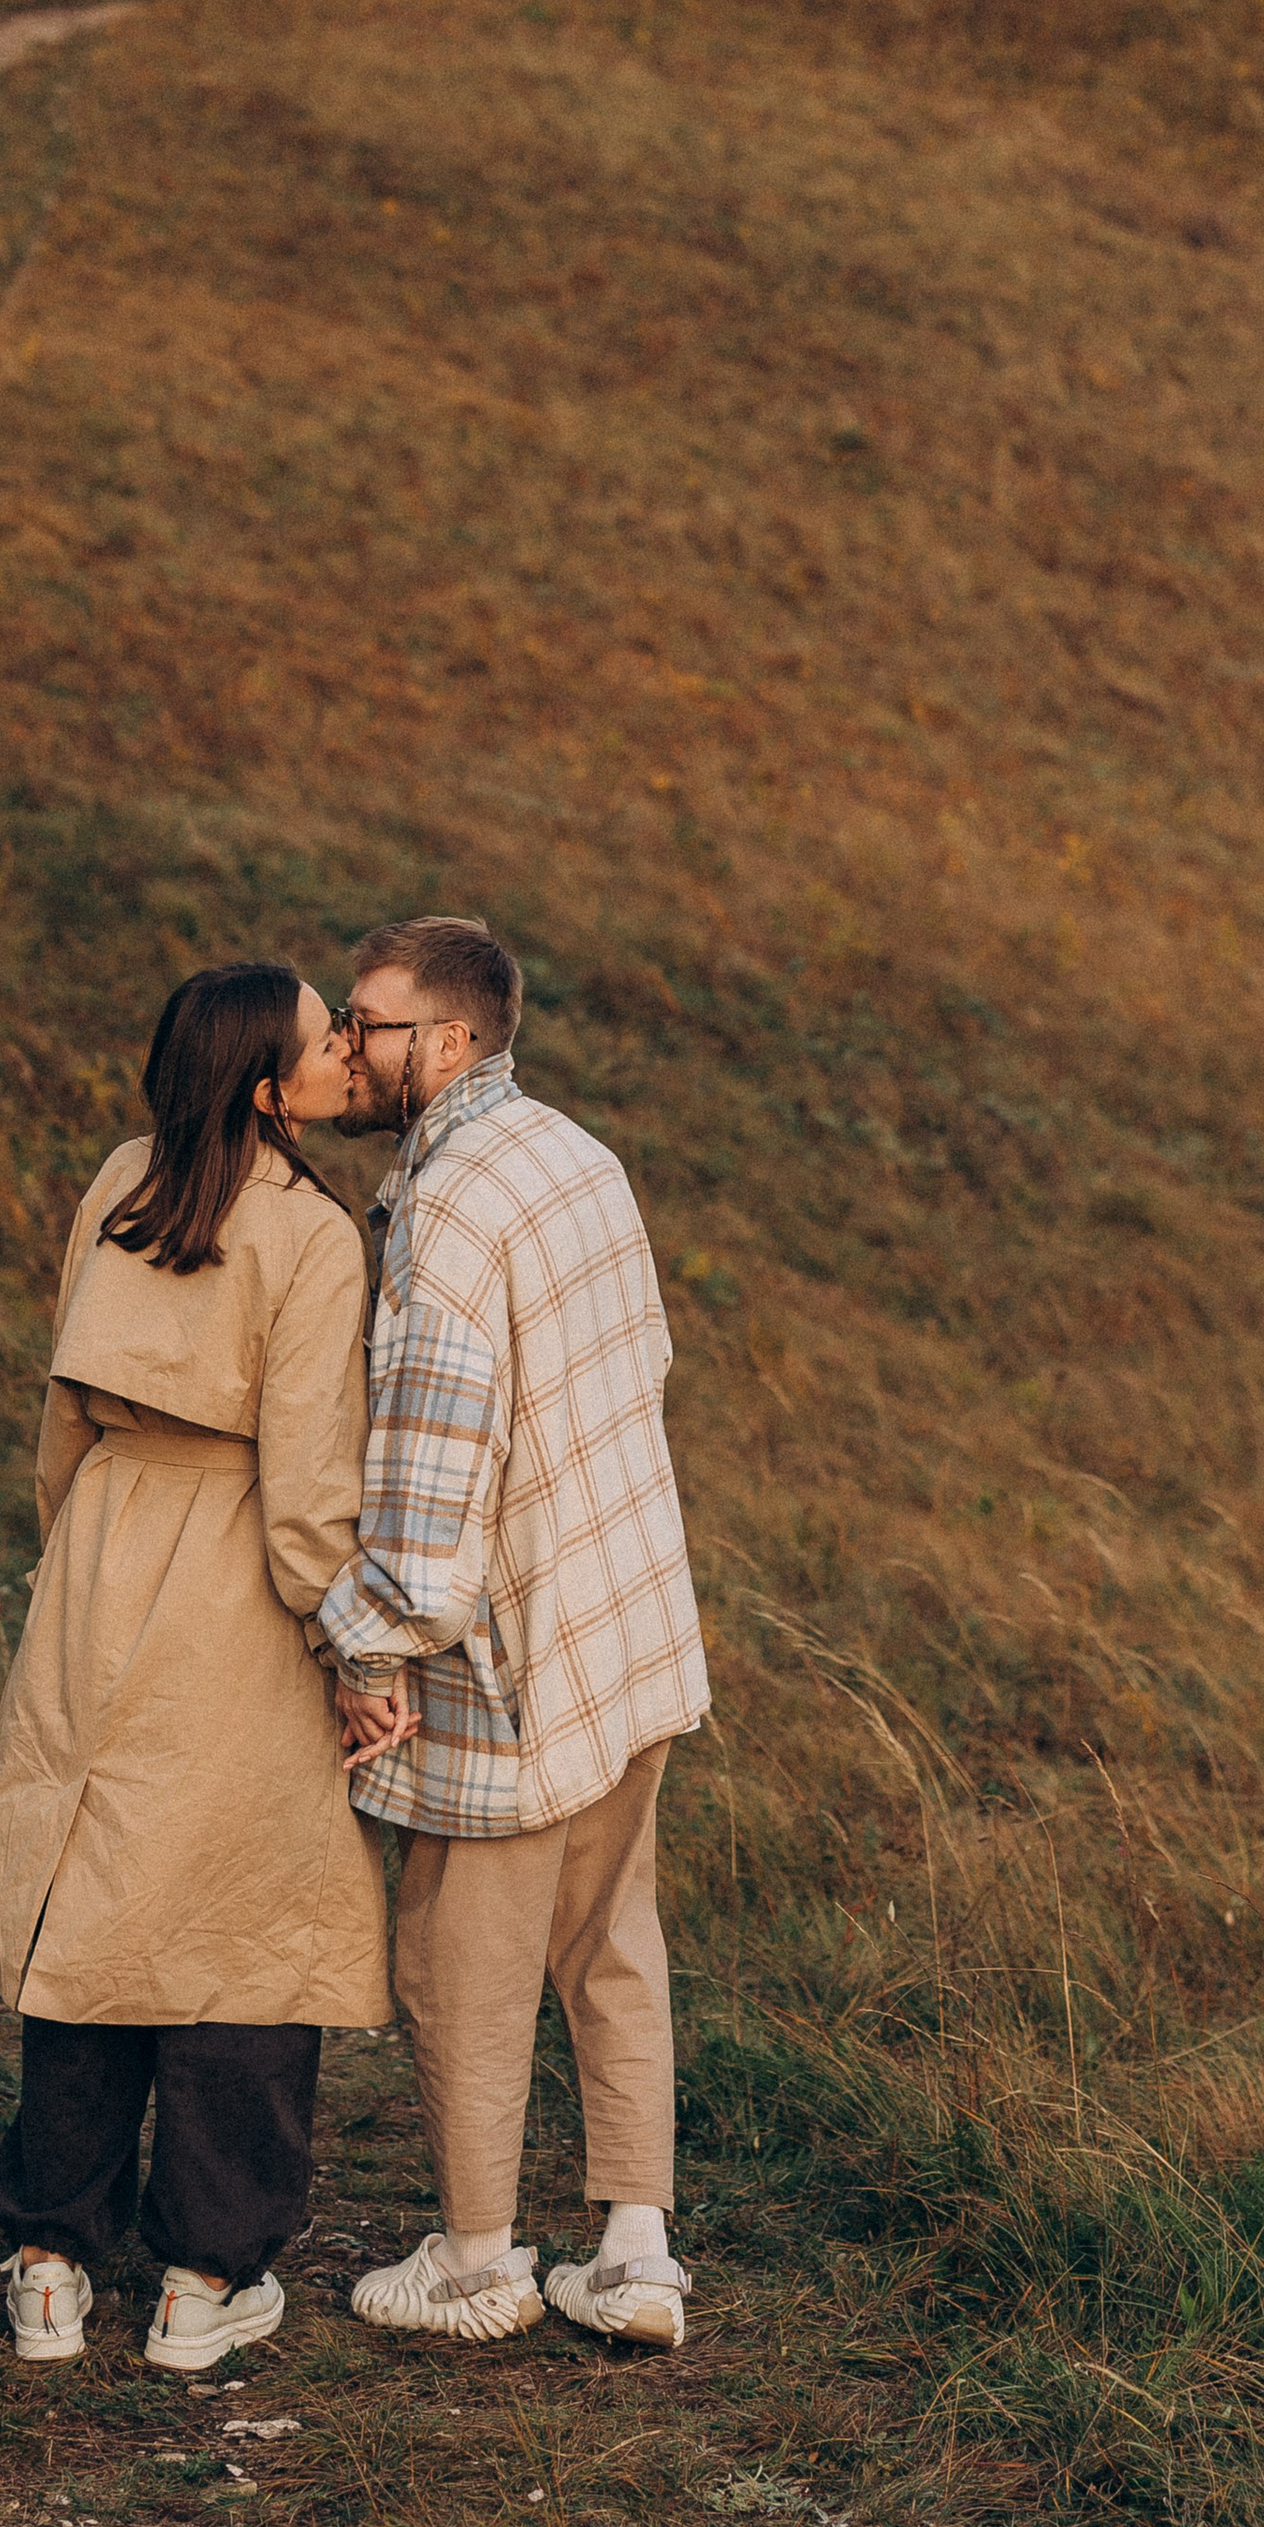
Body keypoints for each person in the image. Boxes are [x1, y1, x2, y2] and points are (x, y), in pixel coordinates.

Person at [0, 961, 405, 2372]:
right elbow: (307, 1488)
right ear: (272, 1090)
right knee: (244, 1922)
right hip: (235, 1575)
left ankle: (49, 2255)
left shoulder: (121, 1182)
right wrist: (355, 1653)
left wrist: (75, 1564)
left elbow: (58, 1420)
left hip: (102, 1545)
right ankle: (205, 2279)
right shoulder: (310, 1234)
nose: (349, 1045)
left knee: (88, 1893)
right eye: (326, 1033)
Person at [320, 915, 711, 2353]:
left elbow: (433, 1471)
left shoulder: (447, 1208)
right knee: (612, 1934)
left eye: (367, 1023)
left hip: (513, 1648)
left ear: (453, 1041)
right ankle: (633, 2252)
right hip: (629, 1616)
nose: (346, 1049)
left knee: (456, 1956)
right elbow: (646, 1354)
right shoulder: (574, 1154)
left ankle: (478, 2261)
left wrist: (369, 1641)